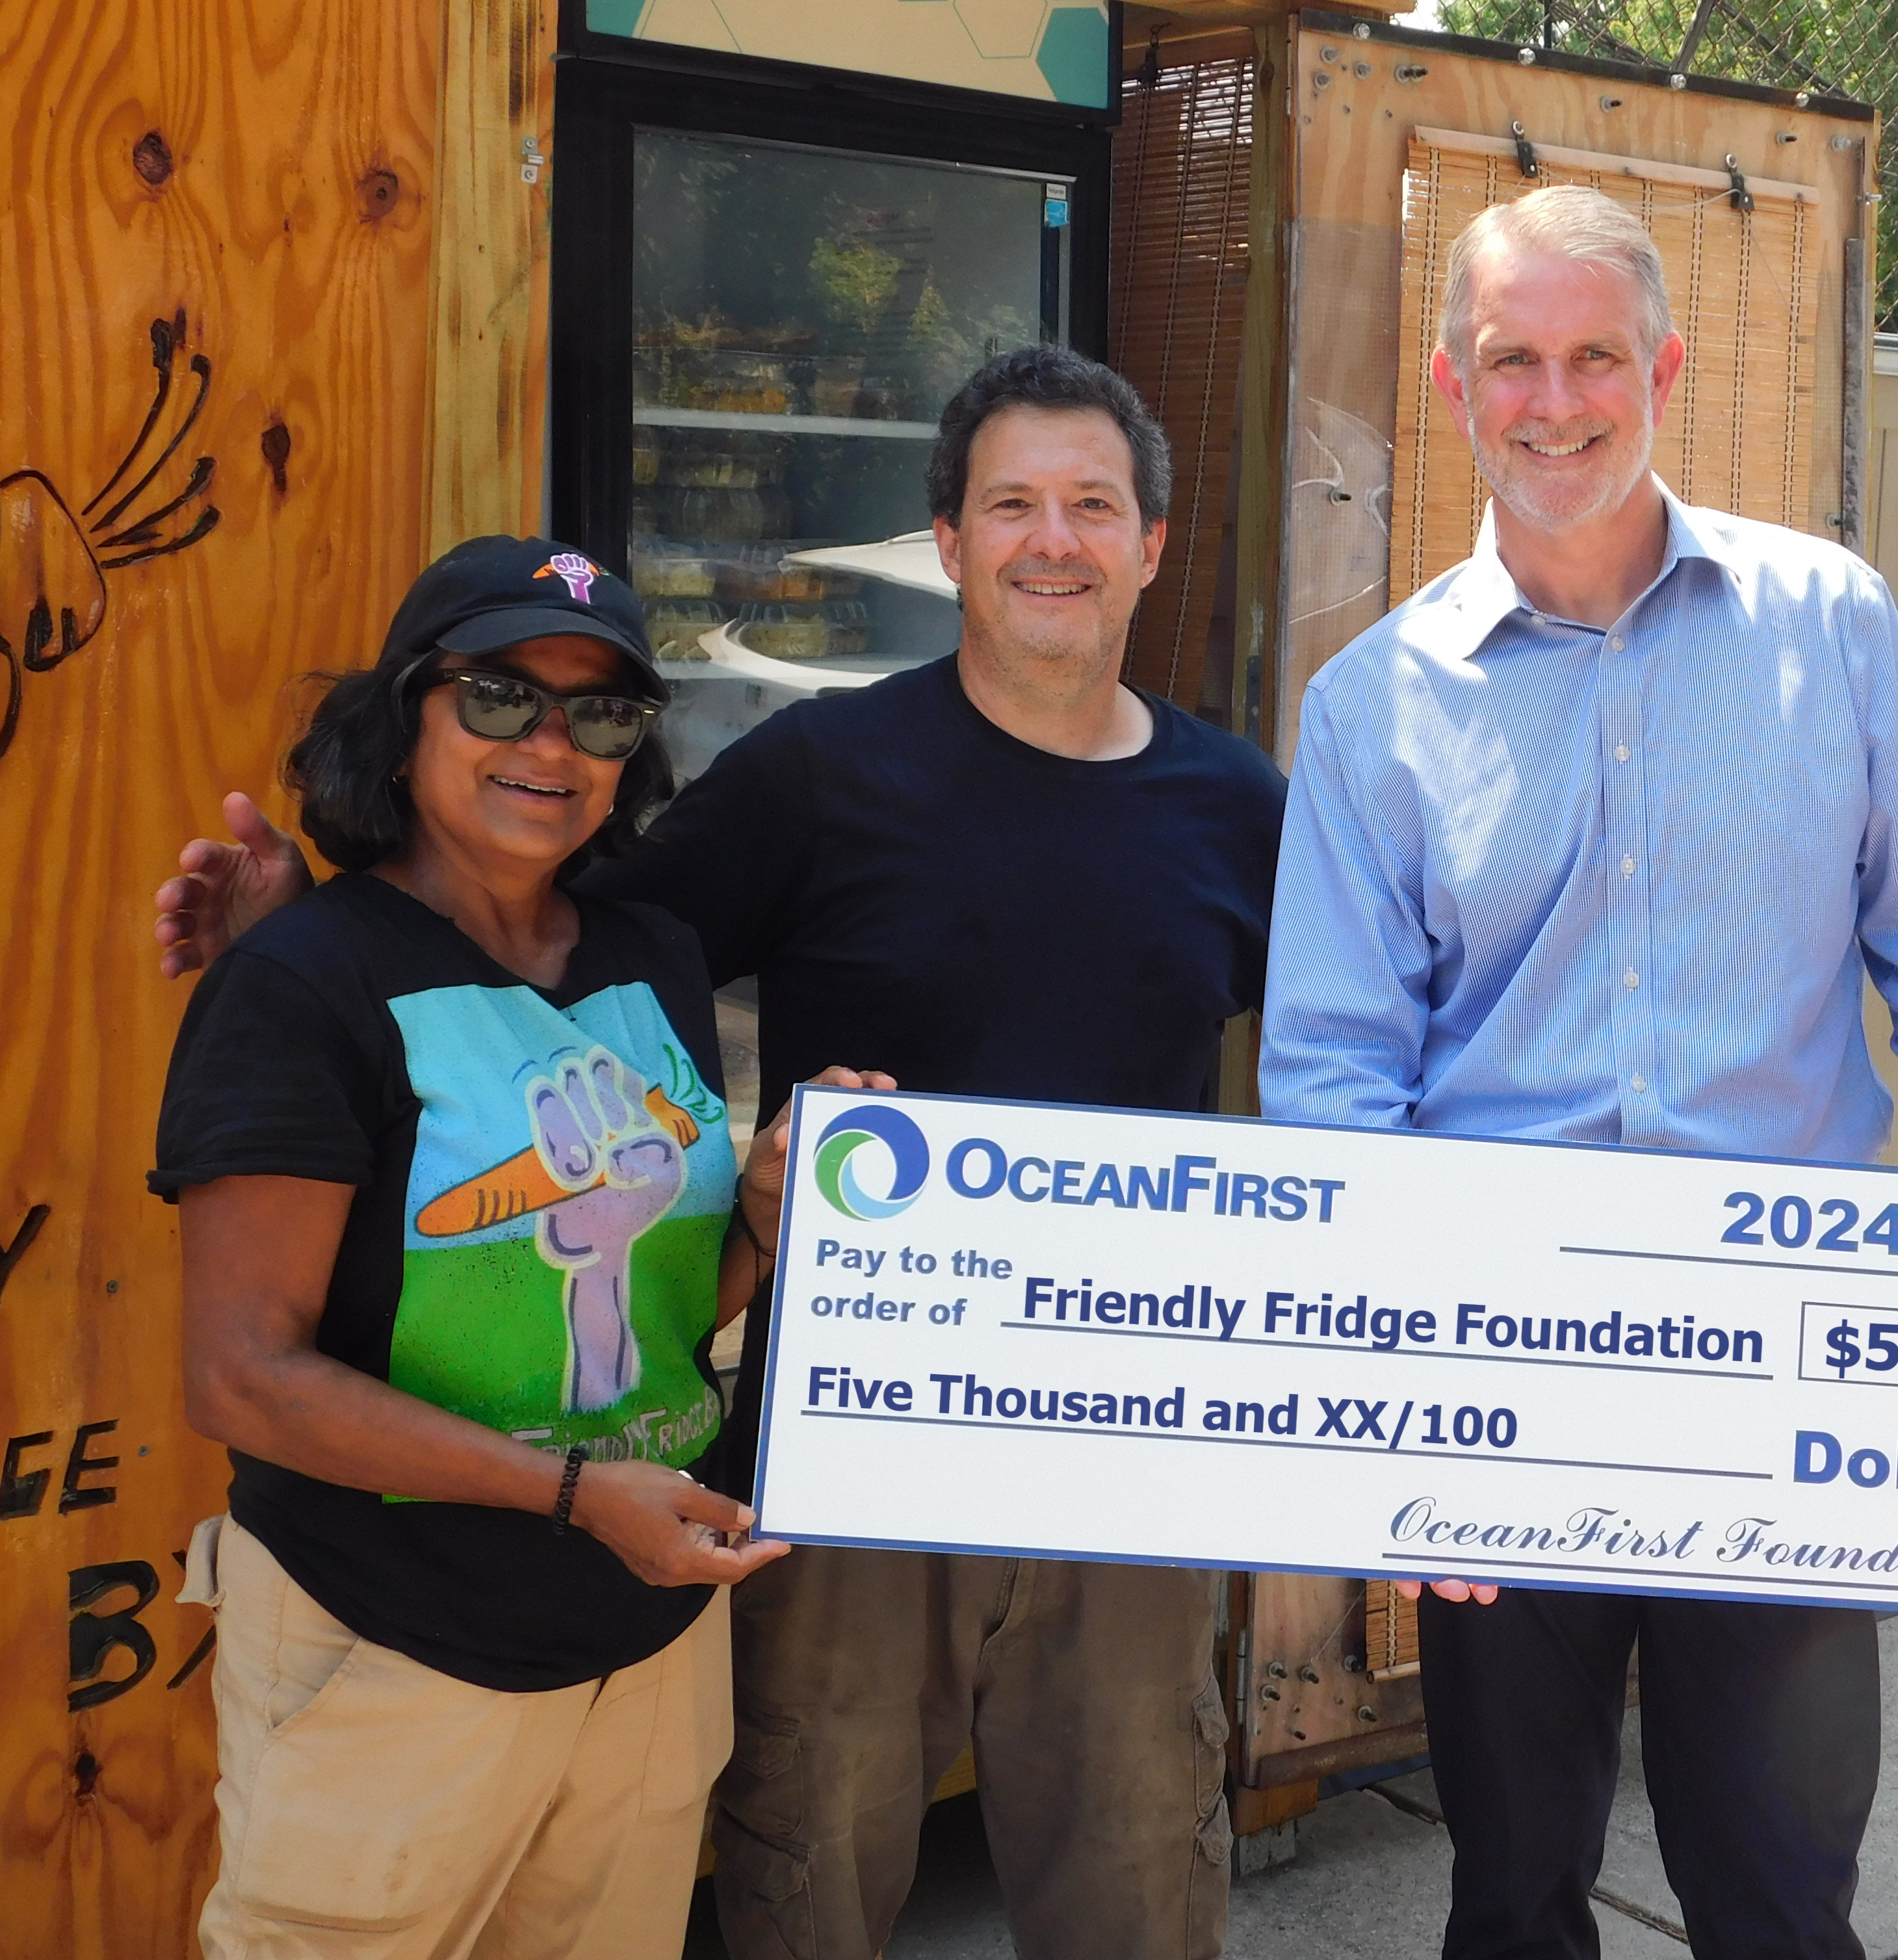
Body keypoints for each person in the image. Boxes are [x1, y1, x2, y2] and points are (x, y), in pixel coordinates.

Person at [154, 348, 1288, 1960]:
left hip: (1117, 1442)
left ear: (1151, 545)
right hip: (841, 1441)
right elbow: (519, 920)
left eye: (1093, 506)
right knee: (810, 1855)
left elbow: (1354, 1095)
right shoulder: (818, 778)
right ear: (948, 544)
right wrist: (320, 930)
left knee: (1139, 1860)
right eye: (1011, 504)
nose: (1055, 540)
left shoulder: (1241, 807)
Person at [1260, 185, 1898, 1960]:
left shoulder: (1831, 622)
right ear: (1450, 383)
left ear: (1666, 367)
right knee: (1510, 1890)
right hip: (1508, 1367)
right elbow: (1341, 1078)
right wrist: (1394, 1404)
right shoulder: (1374, 704)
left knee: (1784, 1893)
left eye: (1592, 357)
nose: (1553, 401)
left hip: (1784, 1359)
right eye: (1512, 359)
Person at [154, 534, 886, 1959]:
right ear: (408, 715)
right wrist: (571, 1496)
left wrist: (768, 1215)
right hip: (395, 1652)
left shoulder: (650, 952)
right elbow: (240, 1377)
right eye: (499, 696)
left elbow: (674, 1301)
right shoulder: (301, 981)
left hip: (646, 1653)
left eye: (602, 712)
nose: (552, 743)